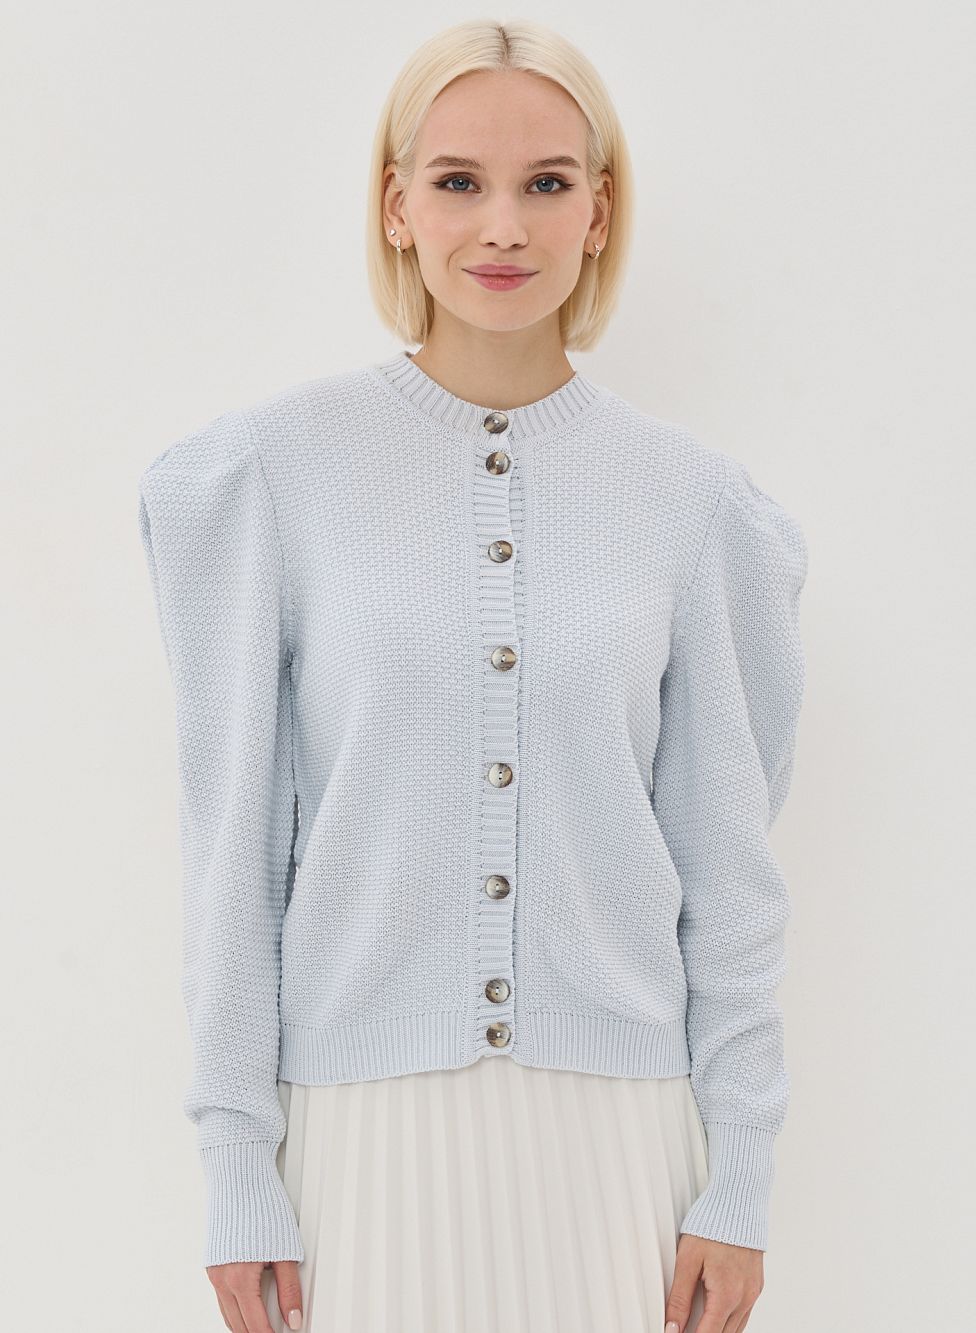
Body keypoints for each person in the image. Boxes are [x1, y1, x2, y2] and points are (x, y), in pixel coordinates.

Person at [137, 18, 809, 1333]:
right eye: (458, 181)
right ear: (396, 205)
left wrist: (738, 1174)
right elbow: (233, 857)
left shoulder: (696, 507)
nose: (503, 225)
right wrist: (236, 1165)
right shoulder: (271, 477)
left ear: (599, 211)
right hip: (356, 1141)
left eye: (546, 183)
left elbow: (730, 876)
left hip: (619, 1144)